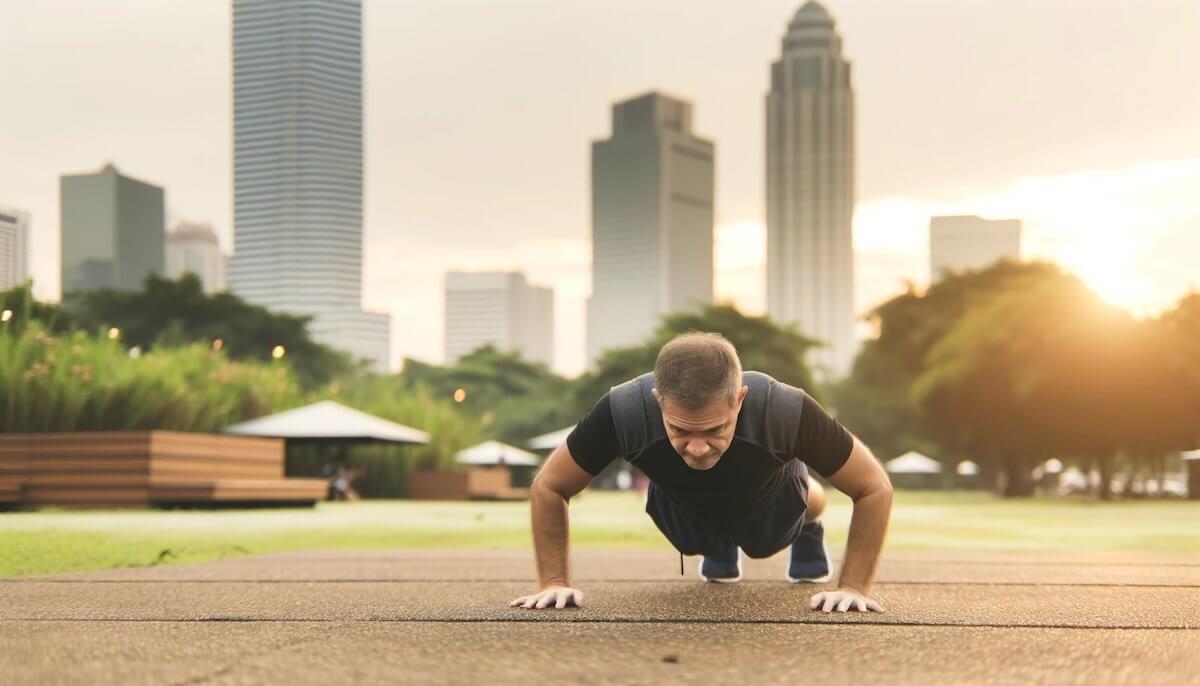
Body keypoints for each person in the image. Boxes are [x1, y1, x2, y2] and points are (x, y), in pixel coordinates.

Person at [510, 332, 893, 614]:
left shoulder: (784, 410)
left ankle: (808, 525)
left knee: (770, 535)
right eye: (679, 430)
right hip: (683, 504)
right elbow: (550, 485)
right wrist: (554, 582)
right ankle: (718, 541)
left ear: (739, 399)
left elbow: (872, 486)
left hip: (774, 496)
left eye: (713, 430)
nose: (696, 448)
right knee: (693, 536)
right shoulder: (623, 411)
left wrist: (854, 587)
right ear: (658, 400)